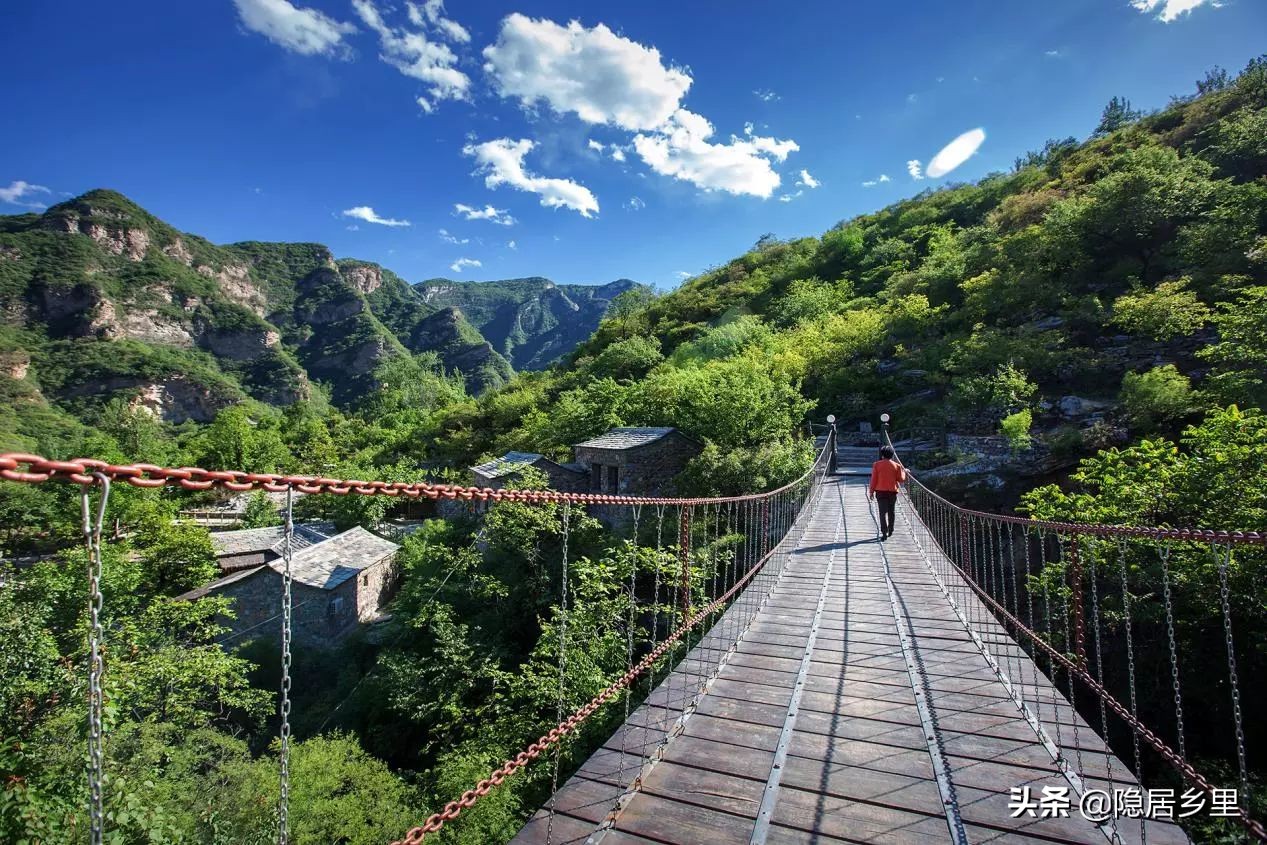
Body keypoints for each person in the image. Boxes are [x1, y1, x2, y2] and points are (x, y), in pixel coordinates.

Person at [867, 446, 907, 540]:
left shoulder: (876, 465)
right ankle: (891, 529)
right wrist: (904, 472)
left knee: (882, 513)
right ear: (892, 455)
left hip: (880, 492)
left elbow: (873, 480)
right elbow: (901, 479)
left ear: (882, 455)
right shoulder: (897, 466)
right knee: (891, 511)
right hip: (892, 492)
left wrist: (871, 492)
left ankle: (884, 532)